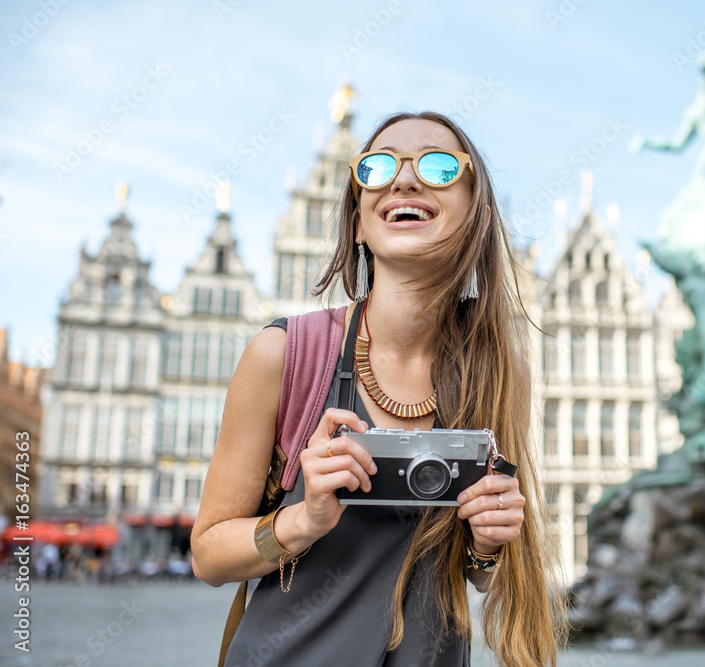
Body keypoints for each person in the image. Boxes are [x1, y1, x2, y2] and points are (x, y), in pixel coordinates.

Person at [191, 111, 564, 666]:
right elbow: (208, 556)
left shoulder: (501, 371)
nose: (404, 179)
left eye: (439, 168)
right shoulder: (282, 355)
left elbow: (478, 575)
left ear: (480, 221)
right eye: (378, 166)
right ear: (359, 223)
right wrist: (302, 519)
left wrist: (487, 545)